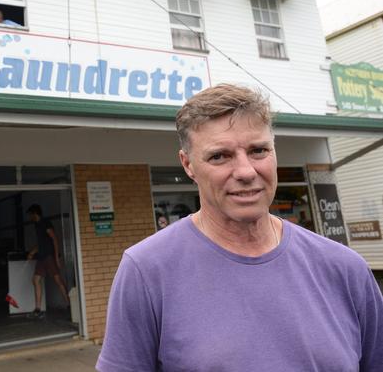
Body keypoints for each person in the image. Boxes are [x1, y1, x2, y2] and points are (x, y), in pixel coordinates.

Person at [97, 84, 383, 371]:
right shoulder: (146, 271)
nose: (246, 172)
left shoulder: (346, 269)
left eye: (258, 150)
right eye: (219, 156)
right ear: (188, 165)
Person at [26, 204, 70, 317]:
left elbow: (54, 239)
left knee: (58, 280)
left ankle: (70, 304)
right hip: (41, 257)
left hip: (49, 257)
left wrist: (56, 257)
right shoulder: (36, 225)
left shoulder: (45, 223)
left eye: (30, 215)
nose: (29, 217)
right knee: (35, 280)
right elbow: (41, 243)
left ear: (35, 213)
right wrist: (32, 252)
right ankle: (38, 309)